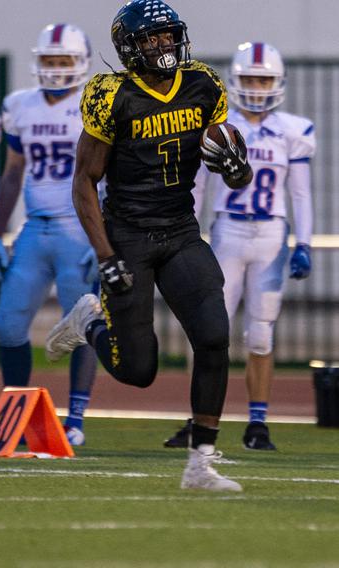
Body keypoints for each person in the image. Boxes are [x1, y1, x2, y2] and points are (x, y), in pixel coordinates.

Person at [44, 0, 252, 491]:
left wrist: (237, 168)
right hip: (129, 234)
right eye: (151, 38)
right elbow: (83, 182)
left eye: (168, 35)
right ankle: (88, 321)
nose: (162, 45)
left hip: (180, 230)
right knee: (138, 371)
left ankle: (200, 464)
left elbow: (227, 153)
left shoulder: (203, 83)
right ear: (128, 47)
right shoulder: (110, 94)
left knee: (215, 336)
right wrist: (106, 256)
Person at [164, 42, 315, 451]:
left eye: (264, 78)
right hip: (228, 231)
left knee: (261, 335)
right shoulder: (218, 126)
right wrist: (185, 228)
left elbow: (300, 194)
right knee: (210, 329)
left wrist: (303, 242)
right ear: (235, 79)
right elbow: (196, 186)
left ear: (278, 82)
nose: (257, 86)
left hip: (269, 235)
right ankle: (198, 421)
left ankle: (258, 423)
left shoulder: (293, 131)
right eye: (250, 78)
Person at [0, 23, 99, 446]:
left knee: (85, 325)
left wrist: (101, 237)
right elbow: (13, 172)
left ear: (82, 63)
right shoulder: (20, 104)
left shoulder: (95, 106)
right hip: (35, 228)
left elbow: (108, 179)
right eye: (49, 61)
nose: (55, 69)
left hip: (79, 227)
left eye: (64, 61)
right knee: (7, 325)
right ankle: (13, 416)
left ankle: (75, 420)